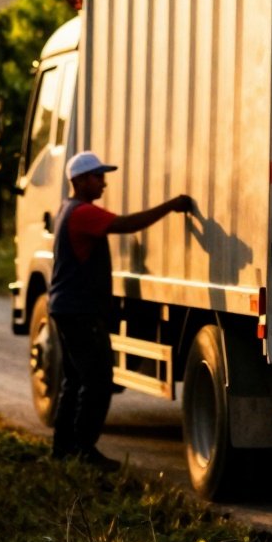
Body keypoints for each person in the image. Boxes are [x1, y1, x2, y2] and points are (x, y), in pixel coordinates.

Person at [49, 149, 194, 467]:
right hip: (79, 311)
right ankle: (84, 450)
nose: (103, 183)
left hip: (66, 307)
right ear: (79, 180)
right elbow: (127, 225)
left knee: (74, 380)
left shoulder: (67, 209)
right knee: (98, 381)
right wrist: (171, 206)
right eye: (98, 177)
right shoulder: (83, 213)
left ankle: (63, 450)